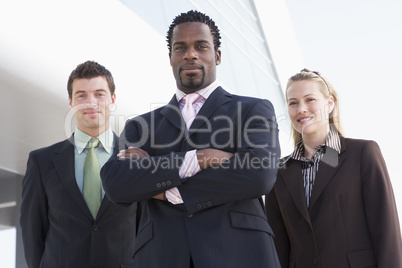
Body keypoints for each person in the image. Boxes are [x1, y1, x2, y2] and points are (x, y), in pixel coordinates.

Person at [101, 10, 281, 268]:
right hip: (162, 256)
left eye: (201, 46)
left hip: (239, 254)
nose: (190, 54)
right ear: (171, 57)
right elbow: (116, 183)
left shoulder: (252, 110)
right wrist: (199, 158)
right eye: (180, 47)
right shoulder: (140, 126)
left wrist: (162, 187)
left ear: (217, 56)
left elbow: (258, 174)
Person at [265, 68, 402, 268]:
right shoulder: (279, 171)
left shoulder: (362, 154)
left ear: (329, 104)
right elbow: (278, 247)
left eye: (310, 99)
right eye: (293, 102)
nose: (301, 109)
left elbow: (386, 230)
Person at [20, 61, 137, 268]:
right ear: (71, 102)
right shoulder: (41, 162)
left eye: (99, 94)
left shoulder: (136, 159)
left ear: (112, 99)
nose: (90, 102)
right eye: (81, 95)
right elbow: (32, 232)